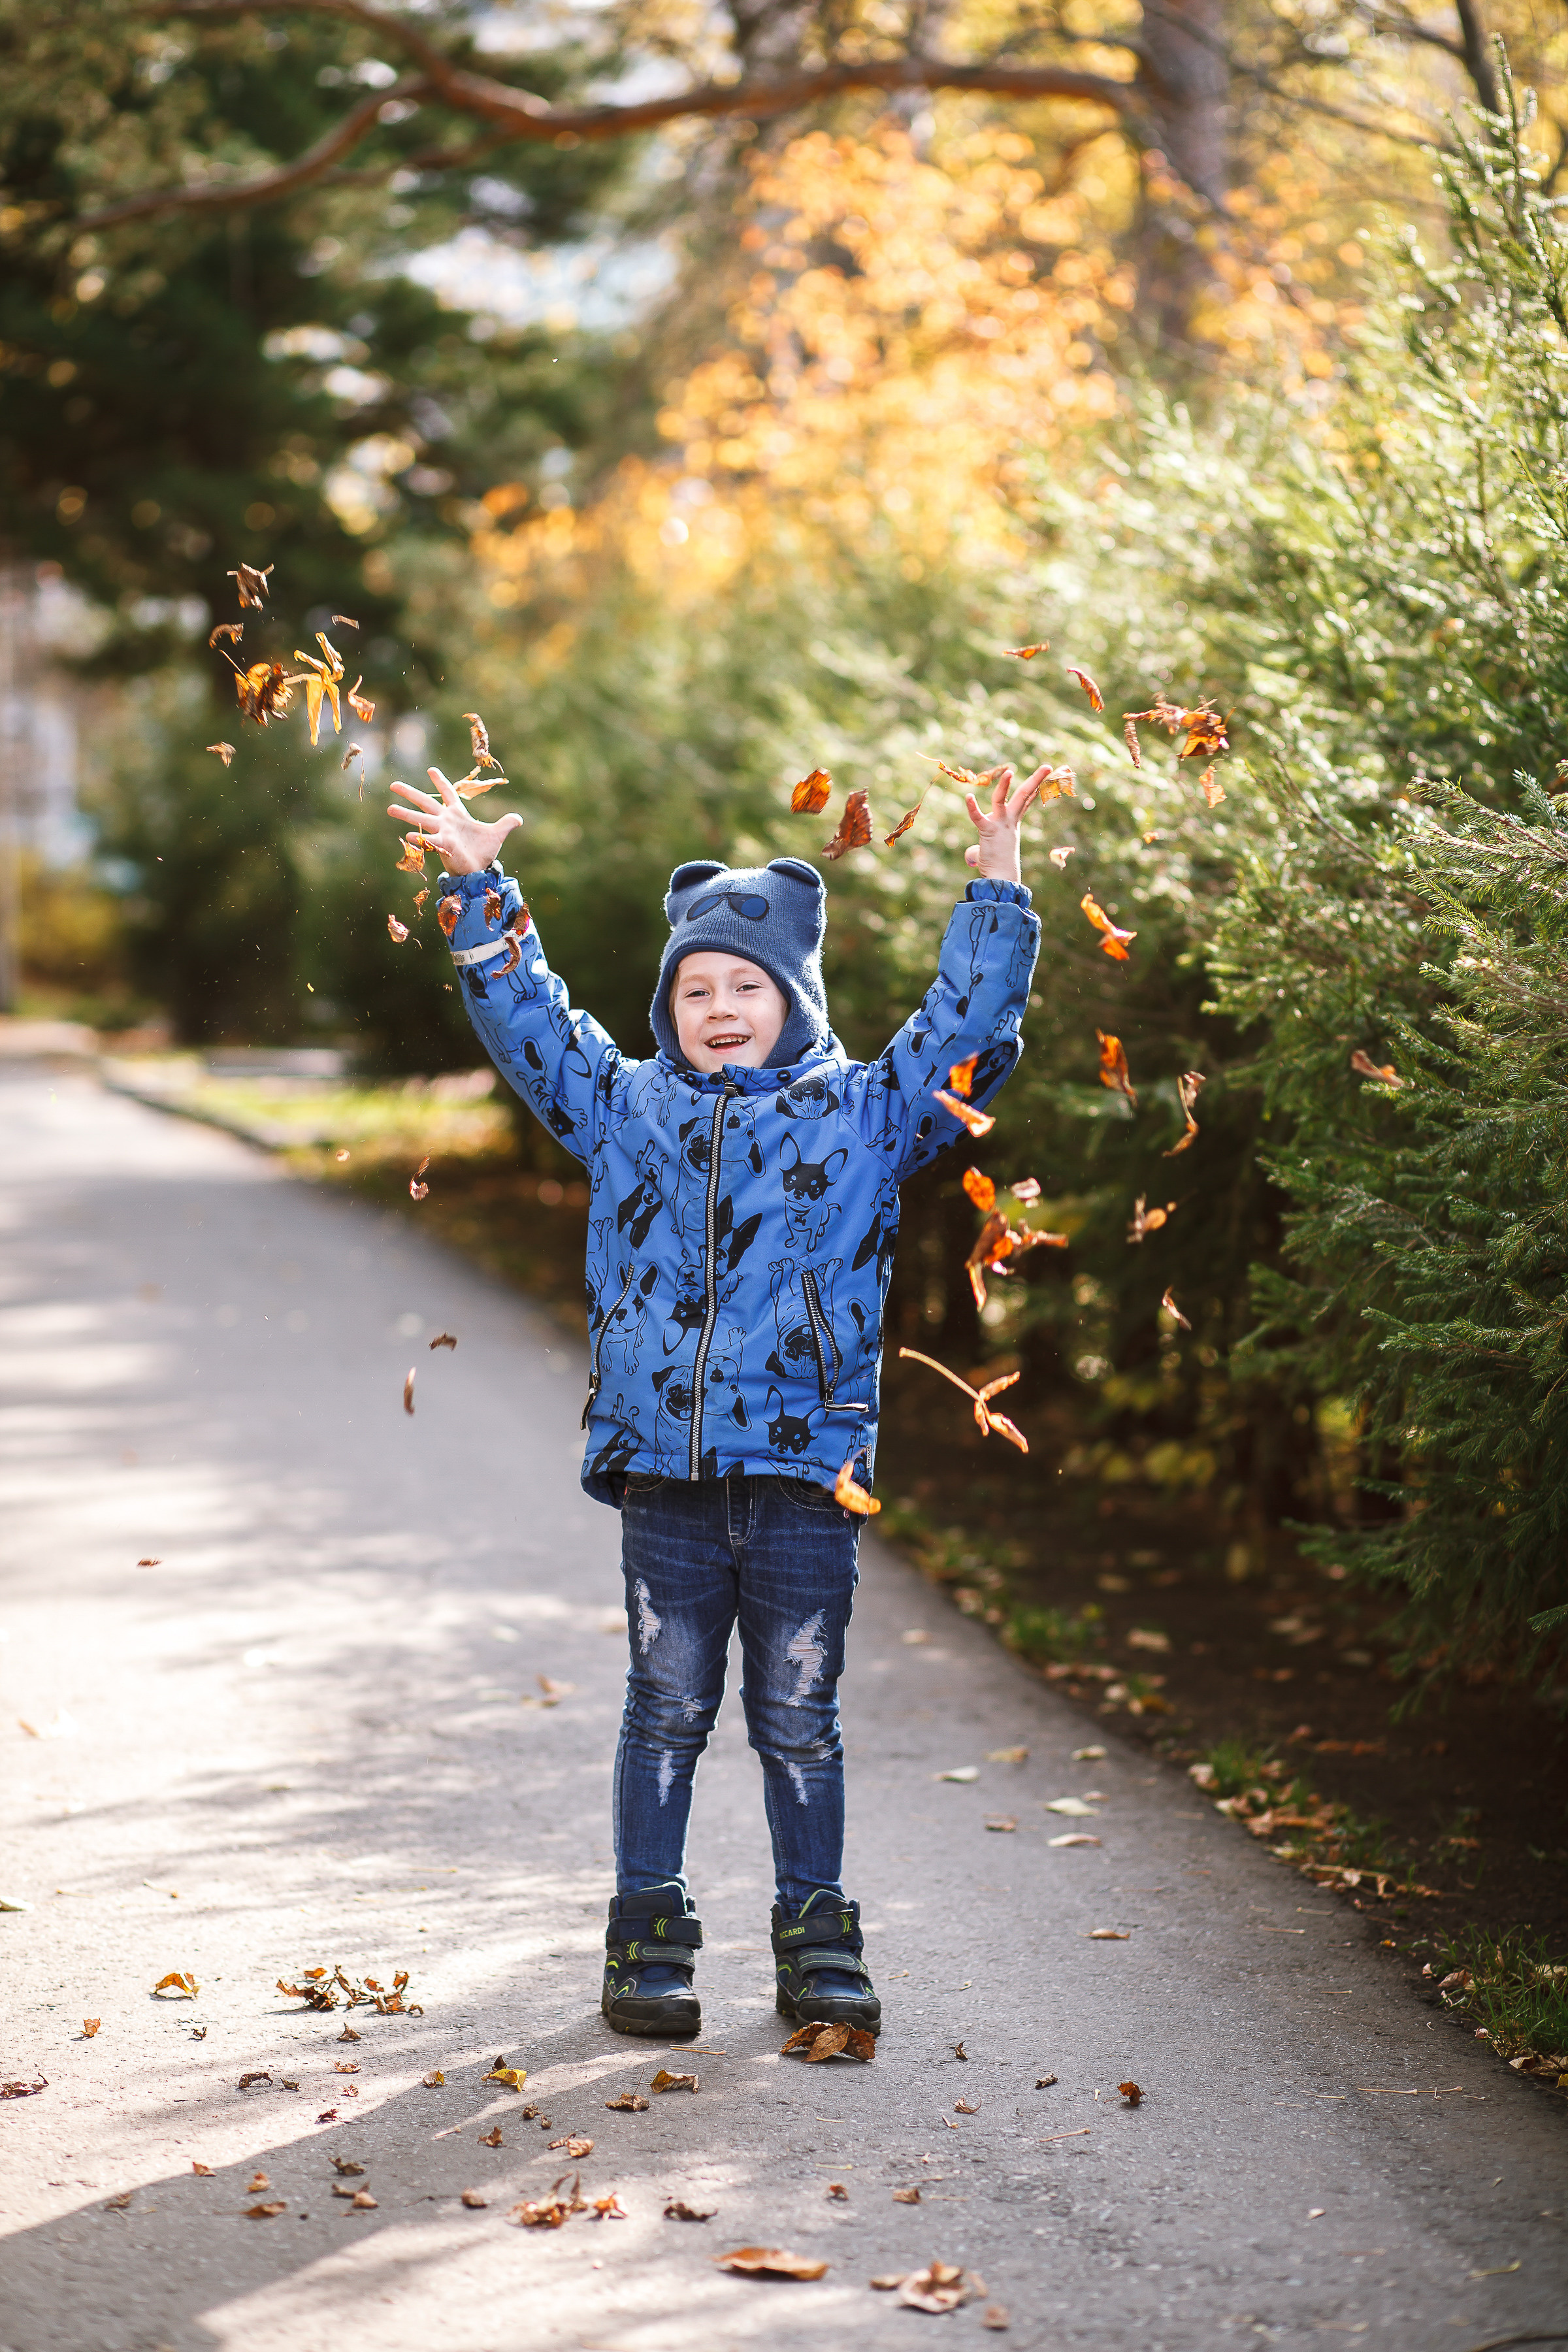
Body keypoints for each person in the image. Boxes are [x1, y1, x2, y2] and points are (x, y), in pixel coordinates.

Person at [386, 760, 1044, 2042]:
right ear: (669, 1003)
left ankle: (816, 1934)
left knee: (799, 1716)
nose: (722, 1006)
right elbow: (531, 1022)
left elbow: (962, 1040)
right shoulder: (626, 1108)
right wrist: (480, 888)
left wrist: (997, 891)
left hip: (807, 1476)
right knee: (666, 1709)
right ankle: (648, 1931)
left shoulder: (861, 1117)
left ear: (793, 998)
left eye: (748, 985)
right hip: (667, 1485)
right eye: (698, 987)